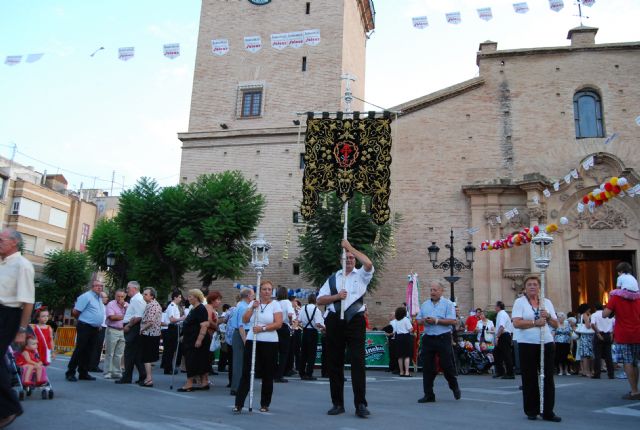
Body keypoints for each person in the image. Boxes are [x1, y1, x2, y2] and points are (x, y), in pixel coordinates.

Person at [317, 239, 374, 419]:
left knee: (358, 362)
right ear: (341, 260)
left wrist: (350, 248)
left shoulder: (361, 275)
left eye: (351, 258)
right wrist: (336, 296)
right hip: (335, 321)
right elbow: (319, 300)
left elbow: (369, 263)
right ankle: (338, 403)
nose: (349, 260)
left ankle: (361, 404)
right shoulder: (333, 278)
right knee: (335, 363)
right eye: (346, 257)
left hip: (355, 321)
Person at [512, 275, 561, 422]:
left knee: (547, 377)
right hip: (527, 343)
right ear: (525, 288)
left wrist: (548, 317)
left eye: (535, 284)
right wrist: (535, 322)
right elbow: (516, 323)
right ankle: (531, 410)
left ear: (539, 287)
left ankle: (548, 411)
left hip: (546, 342)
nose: (532, 287)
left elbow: (555, 324)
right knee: (530, 377)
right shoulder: (519, 302)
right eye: (529, 285)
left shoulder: (546, 302)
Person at [0, 229, 35, 428]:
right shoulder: (3, 263)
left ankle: (10, 406)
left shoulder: (23, 266)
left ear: (14, 242)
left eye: (1, 240)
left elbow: (28, 301)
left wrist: (22, 330)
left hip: (8, 315)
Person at [234, 280, 283, 413]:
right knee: (247, 371)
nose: (267, 292)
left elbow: (278, 324)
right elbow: (244, 320)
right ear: (260, 291)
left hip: (269, 341)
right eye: (264, 289)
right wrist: (252, 307)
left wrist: (263, 328)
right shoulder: (253, 303)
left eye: (269, 289)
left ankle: (265, 403)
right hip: (253, 339)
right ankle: (239, 403)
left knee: (267, 373)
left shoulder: (275, 305)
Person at [416, 280, 461, 404]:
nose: (432, 292)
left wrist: (436, 321)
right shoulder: (425, 304)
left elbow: (452, 321)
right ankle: (428, 394)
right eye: (431, 290)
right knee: (427, 367)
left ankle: (454, 386)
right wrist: (424, 320)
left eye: (435, 290)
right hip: (428, 338)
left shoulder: (448, 304)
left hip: (443, 337)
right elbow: (418, 320)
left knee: (447, 365)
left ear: (441, 291)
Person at [603, 274, 640, 400]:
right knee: (635, 362)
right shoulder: (638, 298)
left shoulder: (616, 298)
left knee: (627, 362)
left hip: (624, 334)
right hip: (638, 333)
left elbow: (605, 314)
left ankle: (634, 391)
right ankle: (637, 389)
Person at [66, 279, 106, 382]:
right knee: (80, 349)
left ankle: (83, 372)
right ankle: (70, 372)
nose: (99, 287)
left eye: (101, 286)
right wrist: (83, 321)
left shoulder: (99, 298)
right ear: (92, 287)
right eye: (97, 286)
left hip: (95, 327)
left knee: (89, 351)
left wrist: (97, 323)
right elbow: (75, 311)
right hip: (85, 326)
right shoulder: (86, 296)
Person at [178, 289, 211, 392]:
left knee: (192, 361)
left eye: (190, 296)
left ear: (196, 297)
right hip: (190, 338)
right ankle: (204, 382)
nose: (188, 298)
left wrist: (199, 339)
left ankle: (189, 384)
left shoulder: (201, 309)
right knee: (199, 360)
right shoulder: (193, 308)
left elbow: (204, 325)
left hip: (196, 339)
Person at [115, 281, 147, 385]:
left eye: (128, 288)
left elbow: (138, 316)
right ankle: (143, 376)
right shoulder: (135, 299)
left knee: (129, 353)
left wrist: (128, 325)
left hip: (133, 328)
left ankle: (127, 377)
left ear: (134, 288)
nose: (126, 290)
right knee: (136, 354)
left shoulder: (137, 300)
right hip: (133, 327)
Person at [229, 287, 254, 396]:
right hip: (242, 335)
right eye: (253, 295)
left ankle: (238, 386)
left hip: (240, 334)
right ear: (248, 296)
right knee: (239, 362)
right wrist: (246, 341)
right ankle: (237, 387)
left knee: (240, 362)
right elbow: (241, 326)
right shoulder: (244, 307)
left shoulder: (241, 305)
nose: (254, 296)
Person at [297, 293, 324, 380]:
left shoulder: (303, 308)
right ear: (315, 300)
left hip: (305, 331)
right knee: (312, 354)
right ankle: (309, 373)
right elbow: (318, 323)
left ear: (308, 300)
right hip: (313, 332)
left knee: (304, 353)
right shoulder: (317, 310)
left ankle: (302, 373)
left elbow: (299, 321)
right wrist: (324, 328)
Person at [139, 287, 162, 387]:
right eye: (143, 294)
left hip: (149, 334)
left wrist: (142, 329)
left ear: (152, 296)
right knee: (148, 358)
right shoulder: (153, 304)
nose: (144, 296)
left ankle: (149, 379)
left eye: (146, 294)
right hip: (153, 334)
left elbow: (150, 321)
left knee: (147, 358)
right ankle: (148, 378)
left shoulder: (152, 305)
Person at [104, 289, 127, 379]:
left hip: (123, 331)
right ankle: (108, 372)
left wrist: (124, 307)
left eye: (122, 296)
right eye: (118, 296)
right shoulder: (111, 304)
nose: (120, 298)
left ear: (124, 297)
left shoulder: (126, 305)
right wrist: (124, 316)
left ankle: (116, 371)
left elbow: (131, 316)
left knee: (119, 353)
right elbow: (112, 317)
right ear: (115, 296)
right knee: (110, 353)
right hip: (112, 329)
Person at [161, 291, 185, 375]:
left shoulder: (175, 306)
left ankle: (169, 368)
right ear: (175, 297)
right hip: (171, 328)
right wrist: (182, 318)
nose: (180, 299)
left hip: (174, 328)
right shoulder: (171, 306)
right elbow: (172, 319)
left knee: (171, 350)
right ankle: (168, 369)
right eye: (179, 297)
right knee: (170, 350)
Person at [275, 286, 294, 383]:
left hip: (274, 327)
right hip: (284, 327)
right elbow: (290, 314)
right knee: (283, 353)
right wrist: (290, 321)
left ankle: (273, 373)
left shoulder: (275, 302)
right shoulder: (287, 302)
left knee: (274, 352)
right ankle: (279, 375)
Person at [590, 303, 614, 379]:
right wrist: (612, 334)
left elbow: (592, 324)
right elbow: (614, 324)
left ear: (595, 308)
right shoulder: (608, 314)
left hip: (599, 334)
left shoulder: (594, 315)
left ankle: (597, 374)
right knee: (608, 356)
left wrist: (597, 333)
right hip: (608, 334)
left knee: (597, 356)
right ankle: (611, 374)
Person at [204, 290, 222, 386]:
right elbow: (208, 320)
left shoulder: (212, 309)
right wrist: (216, 326)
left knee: (209, 357)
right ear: (212, 300)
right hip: (207, 335)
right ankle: (204, 379)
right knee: (206, 357)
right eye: (218, 300)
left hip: (210, 335)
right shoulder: (208, 308)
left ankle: (205, 378)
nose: (219, 302)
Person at [89, 291, 109, 373]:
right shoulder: (96, 306)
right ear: (100, 298)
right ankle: (91, 365)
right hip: (98, 327)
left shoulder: (104, 306)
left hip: (104, 327)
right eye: (105, 297)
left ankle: (95, 365)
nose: (106, 299)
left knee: (99, 347)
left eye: (106, 297)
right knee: (95, 347)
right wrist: (98, 324)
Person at [494, 301, 514, 379]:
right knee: (497, 353)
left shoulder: (502, 314)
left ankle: (510, 373)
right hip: (504, 335)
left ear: (499, 307)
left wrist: (497, 337)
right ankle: (500, 371)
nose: (495, 308)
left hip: (504, 336)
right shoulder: (501, 314)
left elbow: (501, 327)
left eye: (495, 306)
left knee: (506, 355)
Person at [393, 306, 414, 377]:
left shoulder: (396, 320)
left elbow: (395, 330)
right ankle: (407, 372)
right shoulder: (406, 319)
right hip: (405, 337)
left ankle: (401, 372)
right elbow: (410, 329)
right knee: (407, 355)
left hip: (398, 337)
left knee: (400, 356)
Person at [576, 303, 594, 377]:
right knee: (587, 355)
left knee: (584, 355)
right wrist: (590, 318)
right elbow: (588, 326)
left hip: (583, 336)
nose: (590, 309)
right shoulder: (585, 315)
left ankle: (584, 371)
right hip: (587, 336)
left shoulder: (580, 315)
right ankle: (587, 371)